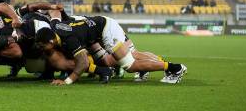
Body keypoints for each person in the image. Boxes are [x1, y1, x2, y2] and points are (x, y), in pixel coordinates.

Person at [35, 16, 187, 85]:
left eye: (42, 46)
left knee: (130, 66)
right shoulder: (55, 27)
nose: (41, 49)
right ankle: (161, 65)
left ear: (51, 41)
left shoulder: (69, 39)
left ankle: (175, 68)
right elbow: (55, 16)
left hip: (107, 31)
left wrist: (67, 81)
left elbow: (83, 63)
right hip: (99, 27)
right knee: (125, 57)